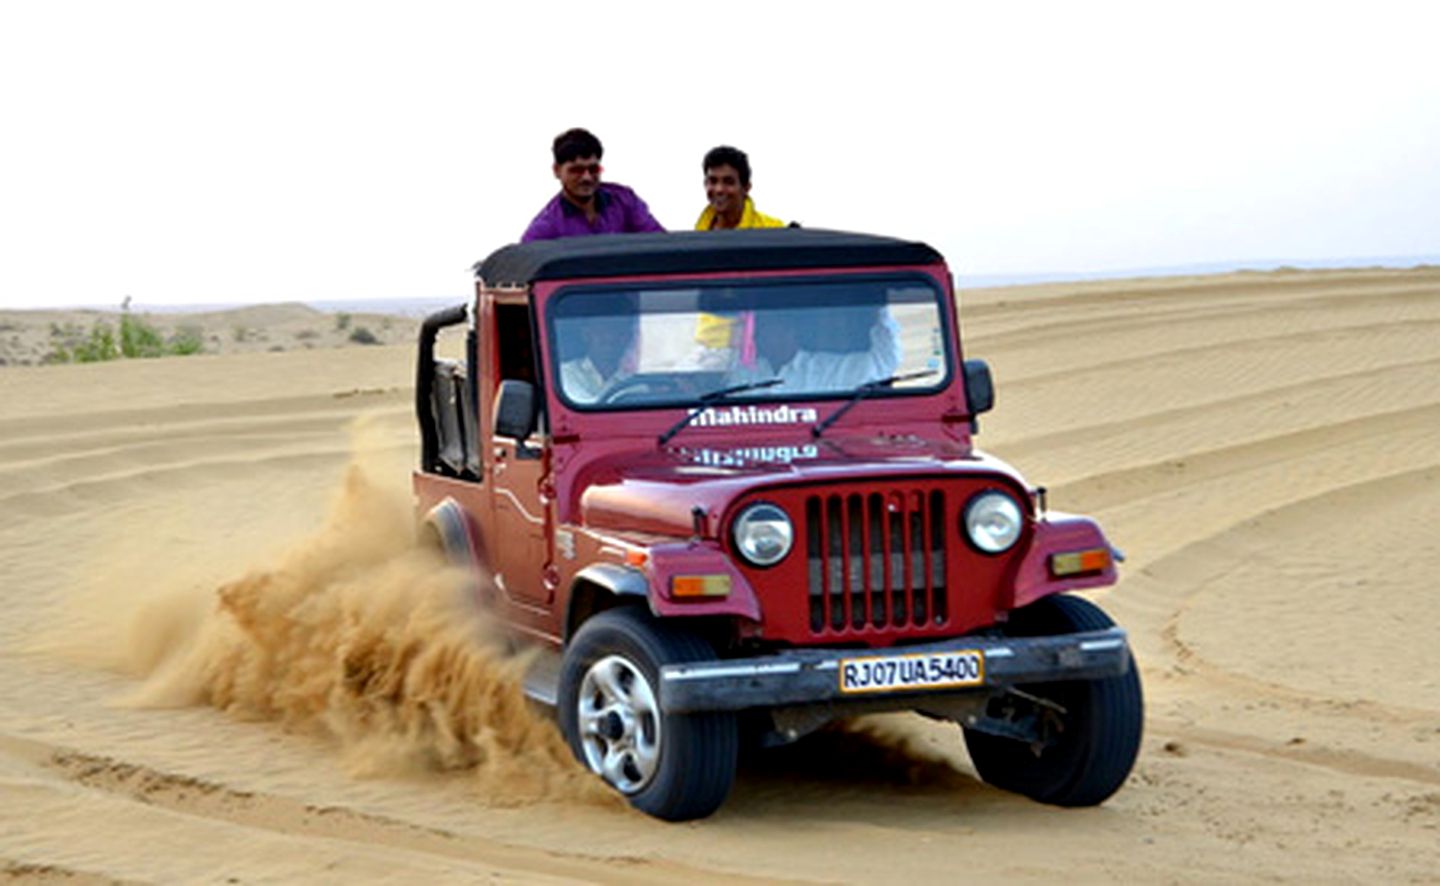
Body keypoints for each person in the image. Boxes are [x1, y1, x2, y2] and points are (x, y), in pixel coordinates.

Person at [522, 128, 665, 242]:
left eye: (593, 169)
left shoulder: (625, 200)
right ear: (557, 171)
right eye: (576, 170)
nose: (587, 177)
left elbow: (659, 243)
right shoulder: (543, 230)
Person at [728, 306, 903, 394]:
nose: (761, 338)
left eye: (771, 331)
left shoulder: (828, 369)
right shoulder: (745, 374)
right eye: (760, 332)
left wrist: (879, 306)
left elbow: (883, 364)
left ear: (791, 332)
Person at [693, 146, 785, 230]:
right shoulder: (694, 239)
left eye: (728, 182)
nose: (719, 189)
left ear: (746, 188)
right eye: (713, 181)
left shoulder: (775, 231)